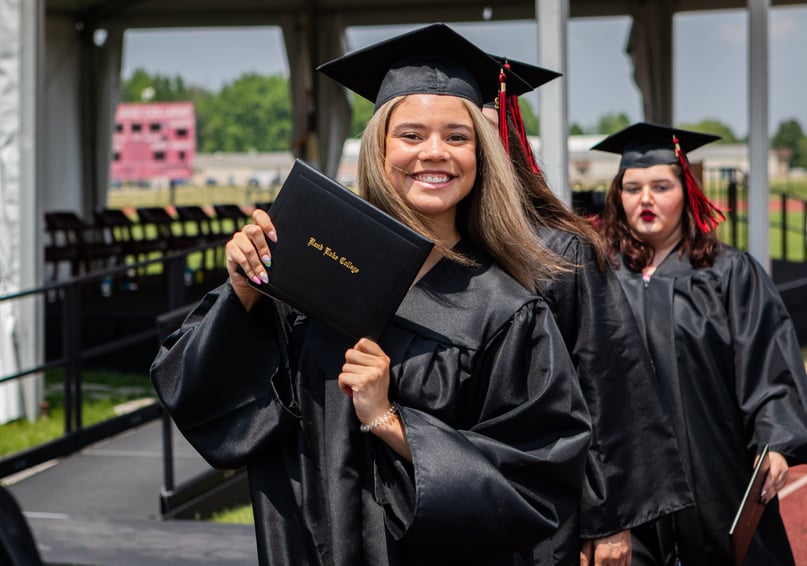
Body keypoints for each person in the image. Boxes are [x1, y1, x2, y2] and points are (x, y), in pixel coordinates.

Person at [150, 23, 591, 566]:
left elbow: (540, 482)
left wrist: (391, 420)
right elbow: (198, 396)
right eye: (410, 135)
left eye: (458, 136)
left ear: (482, 156)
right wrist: (244, 290)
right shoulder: (308, 270)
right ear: (379, 148)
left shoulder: (505, 312)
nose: (435, 154)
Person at [593, 121, 807, 565]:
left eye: (660, 185)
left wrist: (776, 441)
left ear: (687, 191)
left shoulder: (729, 274)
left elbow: (768, 358)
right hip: (632, 489)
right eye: (632, 188)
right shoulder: (600, 279)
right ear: (618, 196)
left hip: (719, 477)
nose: (645, 199)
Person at [483, 60, 693, 566]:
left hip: (544, 514)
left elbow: (605, 383)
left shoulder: (560, 252)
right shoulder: (409, 257)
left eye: (472, 134)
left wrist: (608, 519)